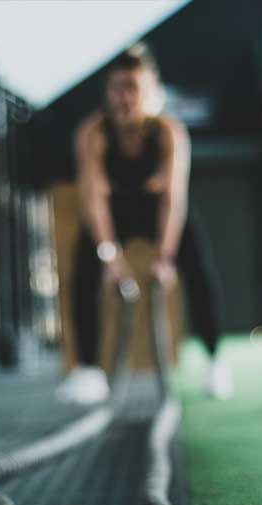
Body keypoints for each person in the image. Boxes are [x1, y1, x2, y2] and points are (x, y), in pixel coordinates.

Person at [56, 44, 232, 404]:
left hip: (157, 211)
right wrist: (110, 259)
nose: (124, 99)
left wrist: (165, 259)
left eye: (132, 88)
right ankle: (89, 371)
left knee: (197, 264)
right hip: (115, 212)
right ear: (107, 94)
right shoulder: (92, 134)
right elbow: (93, 199)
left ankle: (215, 362)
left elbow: (173, 199)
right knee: (83, 263)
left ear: (151, 92)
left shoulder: (169, 133)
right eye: (117, 89)